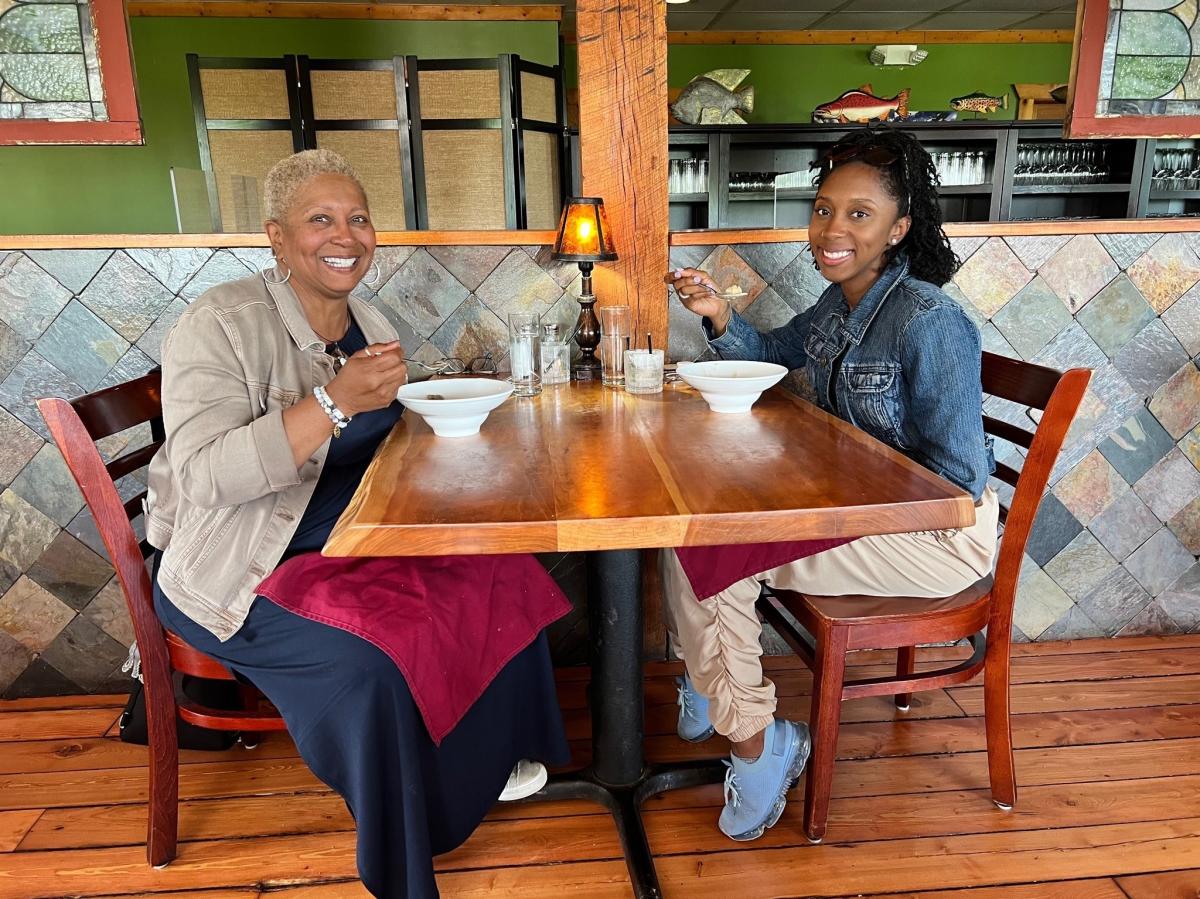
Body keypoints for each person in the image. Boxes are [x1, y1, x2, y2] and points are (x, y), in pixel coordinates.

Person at [144, 149, 568, 897]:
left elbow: (385, 438)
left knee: (505, 566)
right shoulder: (221, 323)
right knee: (372, 666)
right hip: (240, 563)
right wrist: (332, 401)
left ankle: (488, 757)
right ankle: (408, 848)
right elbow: (206, 478)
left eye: (359, 218)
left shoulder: (368, 319)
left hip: (349, 536)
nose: (346, 235)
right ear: (277, 237)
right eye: (321, 219)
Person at [663, 126, 998, 842]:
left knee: (714, 555)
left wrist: (832, 485)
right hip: (867, 513)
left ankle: (759, 746)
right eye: (823, 209)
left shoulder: (929, 322)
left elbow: (957, 484)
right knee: (687, 522)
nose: (831, 229)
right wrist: (718, 312)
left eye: (858, 213)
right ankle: (709, 678)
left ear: (899, 228)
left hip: (936, 536)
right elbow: (773, 356)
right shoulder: (839, 304)